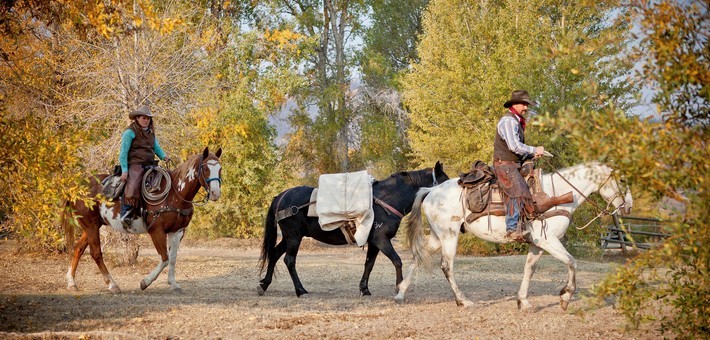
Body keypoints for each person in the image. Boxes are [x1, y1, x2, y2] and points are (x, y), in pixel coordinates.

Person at [492, 90, 544, 242]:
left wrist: (531, 155)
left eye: (526, 104)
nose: (526, 108)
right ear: (515, 104)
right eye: (524, 104)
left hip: (512, 163)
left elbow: (516, 149)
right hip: (505, 165)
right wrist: (534, 149)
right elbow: (514, 146)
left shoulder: (516, 120)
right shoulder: (509, 121)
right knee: (518, 190)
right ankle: (512, 228)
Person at [119, 104, 170, 226]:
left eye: (148, 118)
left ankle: (156, 211)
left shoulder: (151, 132)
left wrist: (164, 156)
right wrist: (124, 170)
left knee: (163, 181)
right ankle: (126, 213)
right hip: (135, 164)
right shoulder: (129, 133)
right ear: (137, 118)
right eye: (144, 118)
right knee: (134, 185)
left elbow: (156, 147)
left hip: (150, 164)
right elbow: (123, 153)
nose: (146, 120)